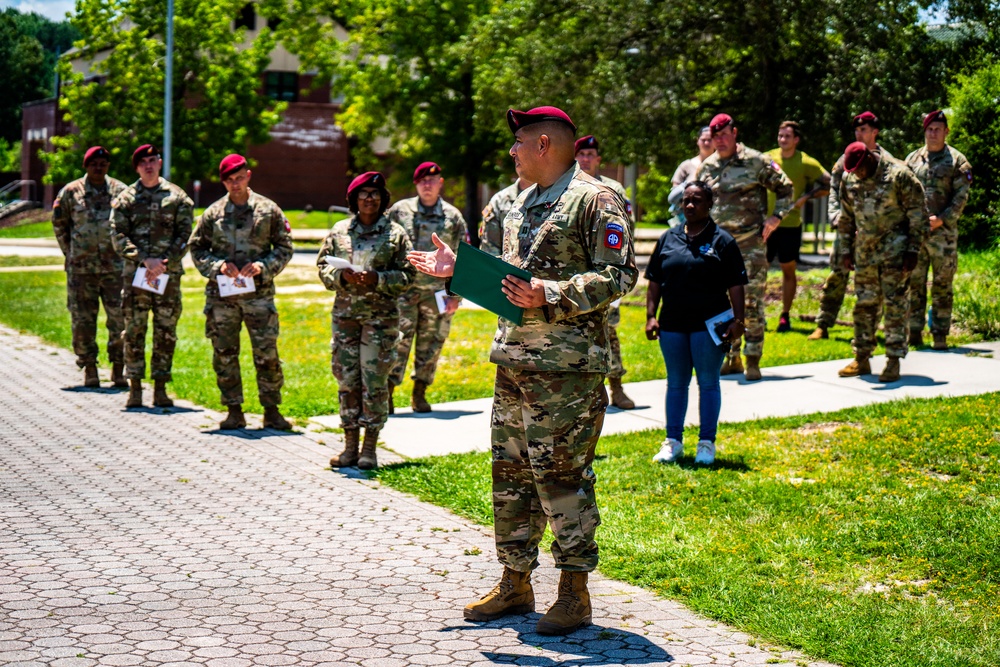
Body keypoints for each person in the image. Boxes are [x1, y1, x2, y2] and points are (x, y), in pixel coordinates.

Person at [407, 106, 636, 636]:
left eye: (518, 142)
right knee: (510, 477)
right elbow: (506, 278)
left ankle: (574, 592)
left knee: (561, 479)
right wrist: (458, 271)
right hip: (513, 360)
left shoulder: (596, 199)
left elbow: (619, 274)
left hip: (567, 370)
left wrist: (550, 294)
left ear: (543, 145)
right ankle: (516, 582)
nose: (511, 151)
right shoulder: (515, 203)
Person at [188, 154, 294, 430]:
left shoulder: (268, 210)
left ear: (248, 175)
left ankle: (271, 410)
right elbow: (196, 248)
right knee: (224, 353)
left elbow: (284, 247)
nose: (235, 185)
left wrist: (262, 266)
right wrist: (218, 265)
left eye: (240, 178)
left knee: (266, 353)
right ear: (224, 182)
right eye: (230, 180)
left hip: (259, 297)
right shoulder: (213, 214)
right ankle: (233, 410)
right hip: (222, 298)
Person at [646, 181, 747, 466]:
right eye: (686, 200)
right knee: (676, 384)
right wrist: (651, 316)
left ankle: (706, 443)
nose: (690, 205)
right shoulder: (668, 238)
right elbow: (654, 281)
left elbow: (737, 284)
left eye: (697, 200)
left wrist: (738, 321)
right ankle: (673, 442)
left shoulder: (722, 241)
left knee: (708, 382)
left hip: (709, 326)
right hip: (673, 325)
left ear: (709, 204)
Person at [319, 172, 415, 470]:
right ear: (353, 199)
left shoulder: (395, 233)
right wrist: (340, 276)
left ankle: (369, 450)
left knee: (374, 381)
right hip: (346, 317)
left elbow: (409, 274)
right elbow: (323, 265)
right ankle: (349, 448)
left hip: (380, 320)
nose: (369, 198)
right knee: (348, 380)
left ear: (382, 198)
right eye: (363, 193)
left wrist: (378, 278)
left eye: (374, 193)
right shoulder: (338, 231)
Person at [696, 113, 794, 381]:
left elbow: (786, 188)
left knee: (750, 303)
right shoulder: (707, 167)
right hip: (718, 248)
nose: (721, 140)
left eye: (725, 134)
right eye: (716, 136)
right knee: (722, 304)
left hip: (750, 245)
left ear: (735, 133)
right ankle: (732, 356)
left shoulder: (756, 161)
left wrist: (776, 218)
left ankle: (753, 359)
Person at [110, 144, 193, 409]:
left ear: (159, 163)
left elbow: (186, 234)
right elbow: (117, 235)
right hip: (136, 277)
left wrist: (165, 262)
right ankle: (134, 387)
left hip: (168, 276)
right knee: (134, 331)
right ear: (136, 167)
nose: (149, 165)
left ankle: (160, 388)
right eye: (143, 161)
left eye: (153, 160)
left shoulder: (177, 197)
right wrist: (145, 258)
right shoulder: (125, 199)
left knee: (165, 332)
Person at [837, 142, 927, 382]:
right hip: (865, 252)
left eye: (859, 168)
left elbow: (918, 214)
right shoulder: (849, 179)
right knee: (864, 306)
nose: (856, 174)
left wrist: (913, 250)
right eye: (852, 171)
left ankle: (893, 360)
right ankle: (862, 358)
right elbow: (846, 218)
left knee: (895, 305)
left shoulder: (899, 174)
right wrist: (846, 250)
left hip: (895, 252)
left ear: (868, 158)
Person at [385, 162, 468, 413]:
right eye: (422, 181)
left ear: (440, 183)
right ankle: (387, 392)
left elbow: (464, 257)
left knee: (431, 344)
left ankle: (419, 393)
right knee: (396, 341)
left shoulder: (453, 216)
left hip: (437, 294)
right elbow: (385, 245)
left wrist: (456, 295)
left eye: (432, 180)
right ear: (416, 184)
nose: (427, 185)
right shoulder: (399, 211)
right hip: (404, 291)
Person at [809, 111, 894, 340]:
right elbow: (835, 191)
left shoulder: (888, 163)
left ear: (875, 132)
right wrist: (836, 216)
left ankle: (876, 329)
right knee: (837, 274)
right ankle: (823, 323)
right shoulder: (845, 159)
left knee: (876, 279)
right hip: (848, 228)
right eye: (856, 130)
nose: (858, 134)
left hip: (875, 232)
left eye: (863, 130)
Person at [52, 146, 128, 388]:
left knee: (119, 319)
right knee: (83, 320)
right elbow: (60, 224)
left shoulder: (120, 191)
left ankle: (118, 368)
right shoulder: (71, 192)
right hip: (82, 270)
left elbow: (130, 224)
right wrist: (71, 253)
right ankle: (90, 367)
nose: (99, 167)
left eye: (103, 164)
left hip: (115, 269)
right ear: (86, 166)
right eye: (94, 163)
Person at [574, 134, 636, 409]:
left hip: (606, 274)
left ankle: (617, 387)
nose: (586, 159)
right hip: (576, 277)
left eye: (591, 155)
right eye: (581, 154)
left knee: (608, 332)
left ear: (598, 159)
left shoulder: (614, 189)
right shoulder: (568, 187)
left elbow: (626, 233)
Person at [905, 110, 973, 350]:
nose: (933, 133)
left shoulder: (957, 161)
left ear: (946, 132)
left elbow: (961, 196)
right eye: (929, 129)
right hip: (917, 234)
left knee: (942, 286)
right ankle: (913, 332)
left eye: (937, 129)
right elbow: (904, 194)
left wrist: (942, 219)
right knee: (914, 283)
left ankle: (940, 335)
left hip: (943, 235)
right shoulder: (912, 160)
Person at [766, 121, 831, 332]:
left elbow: (829, 182)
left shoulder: (806, 162)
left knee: (788, 269)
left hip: (790, 223)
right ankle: (756, 314)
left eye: (787, 136)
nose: (783, 139)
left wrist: (807, 196)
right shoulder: (767, 158)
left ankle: (785, 315)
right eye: (780, 135)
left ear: (796, 140)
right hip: (765, 223)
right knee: (759, 270)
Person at [479, 174, 534, 257]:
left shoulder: (557, 198)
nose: (516, 160)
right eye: (514, 159)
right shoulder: (499, 201)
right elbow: (489, 253)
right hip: (503, 269)